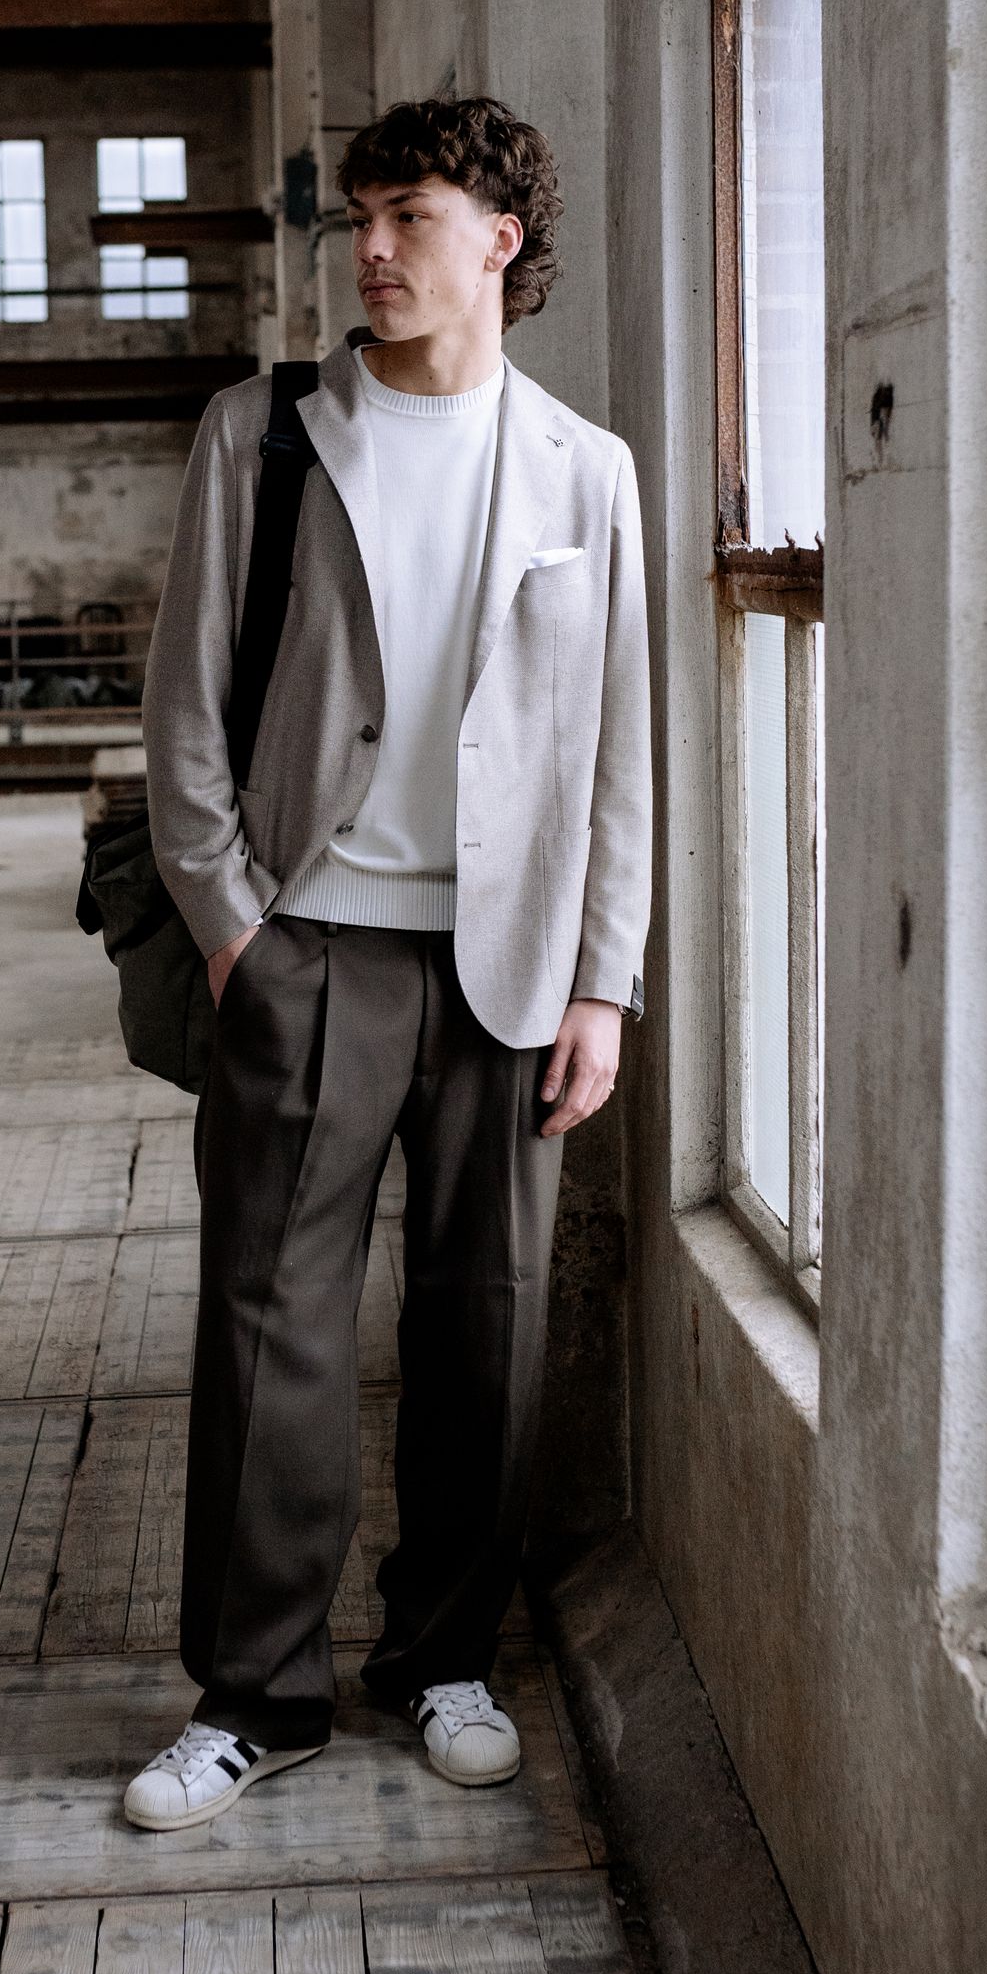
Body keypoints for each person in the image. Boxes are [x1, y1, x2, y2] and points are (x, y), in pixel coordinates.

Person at [124, 92, 651, 1829]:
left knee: (484, 1324)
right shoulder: (266, 434)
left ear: (500, 238)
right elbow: (183, 709)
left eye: (406, 216)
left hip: (506, 968)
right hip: (311, 949)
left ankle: (444, 1660)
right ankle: (251, 1697)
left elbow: (618, 751)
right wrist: (234, 931)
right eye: (358, 219)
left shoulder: (585, 470)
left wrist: (603, 981)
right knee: (268, 1325)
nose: (369, 250)